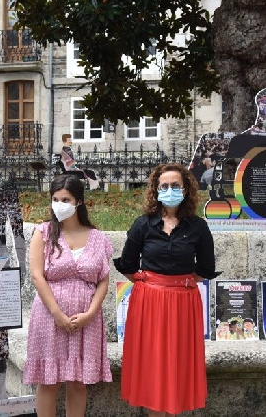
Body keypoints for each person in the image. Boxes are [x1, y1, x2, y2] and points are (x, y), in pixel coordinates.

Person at [114, 163, 218, 416]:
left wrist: (177, 284)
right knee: (152, 366)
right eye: (164, 186)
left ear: (186, 189)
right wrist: (154, 284)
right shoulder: (143, 224)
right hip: (148, 303)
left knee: (177, 366)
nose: (169, 190)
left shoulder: (198, 227)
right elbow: (127, 265)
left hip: (183, 303)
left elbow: (205, 268)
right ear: (155, 190)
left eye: (175, 185)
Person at [23, 175, 113, 417]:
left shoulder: (98, 237)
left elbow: (103, 280)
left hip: (86, 319)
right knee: (48, 381)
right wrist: (57, 314)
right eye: (55, 199)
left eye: (65, 200)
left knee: (78, 382)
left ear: (79, 202)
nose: (59, 204)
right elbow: (37, 276)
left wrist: (90, 313)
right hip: (49, 315)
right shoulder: (43, 232)